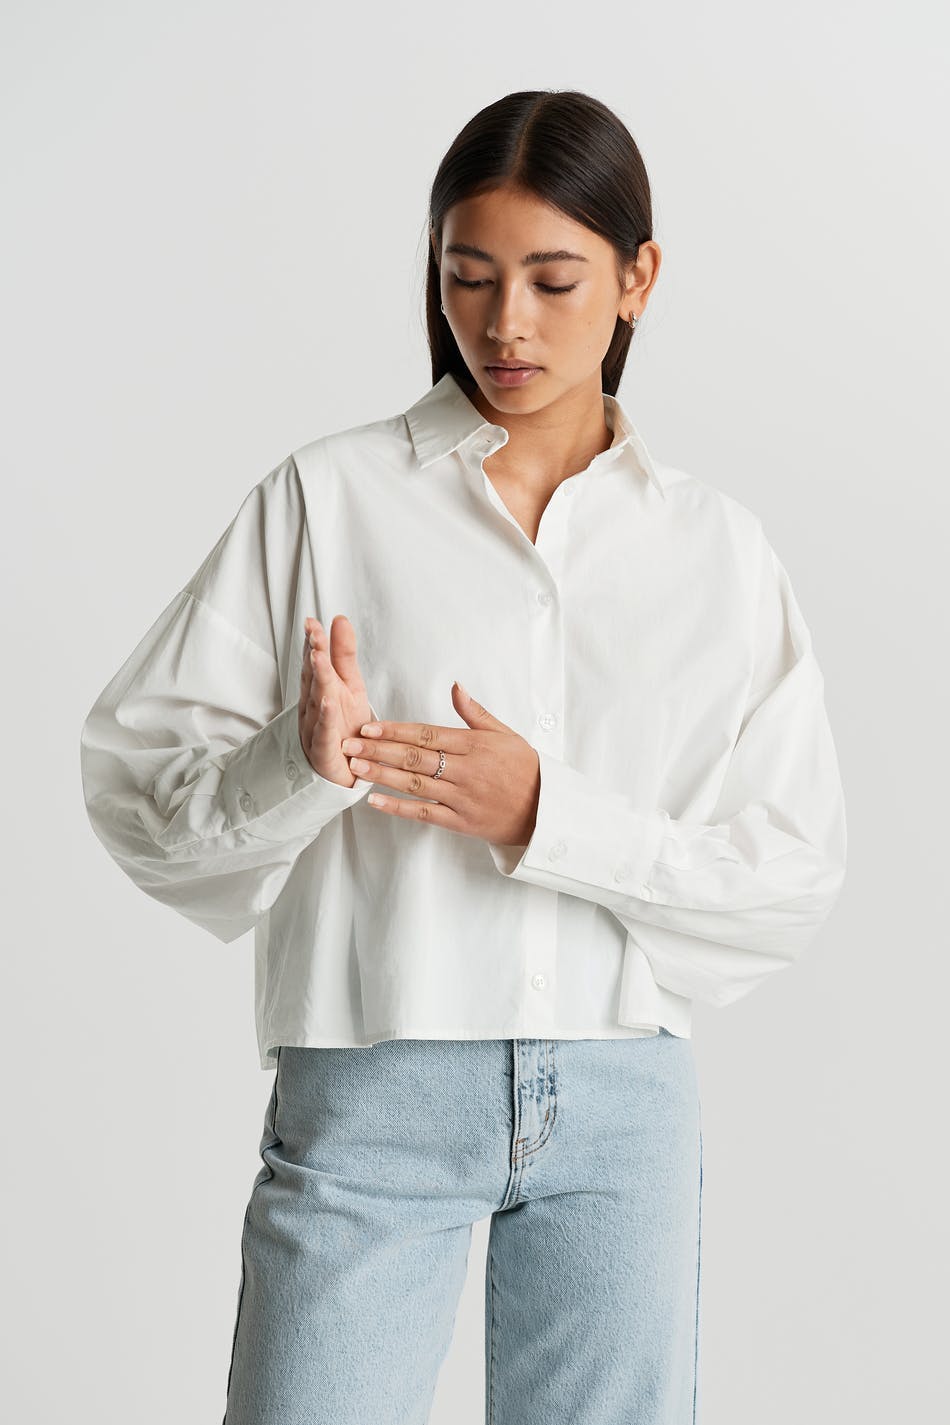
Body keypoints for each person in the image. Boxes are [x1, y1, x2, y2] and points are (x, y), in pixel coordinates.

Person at [79, 89, 847, 1425]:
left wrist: (547, 814)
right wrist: (299, 768)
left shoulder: (715, 551)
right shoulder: (327, 497)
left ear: (637, 278)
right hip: (373, 1085)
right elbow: (137, 785)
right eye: (469, 277)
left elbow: (788, 871)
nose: (505, 326)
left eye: (553, 280)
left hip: (620, 1098)